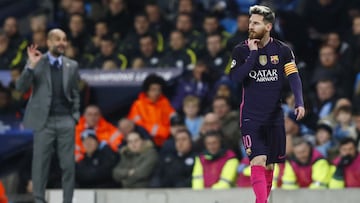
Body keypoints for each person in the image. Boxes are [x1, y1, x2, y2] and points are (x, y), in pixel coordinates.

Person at [229, 5, 305, 203]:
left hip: (274, 116)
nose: (250, 26)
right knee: (258, 160)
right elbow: (236, 77)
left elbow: (294, 76)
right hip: (251, 117)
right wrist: (253, 54)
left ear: (268, 26)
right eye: (250, 22)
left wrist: (300, 102)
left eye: (256, 23)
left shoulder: (282, 50)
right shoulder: (241, 50)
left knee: (270, 166)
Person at [16, 29, 80, 203]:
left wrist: (74, 116)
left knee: (68, 166)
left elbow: (75, 93)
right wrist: (30, 66)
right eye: (58, 39)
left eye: (64, 40)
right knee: (40, 164)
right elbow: (20, 87)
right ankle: (39, 200)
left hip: (66, 120)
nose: (62, 43)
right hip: (44, 121)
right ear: (49, 42)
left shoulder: (72, 65)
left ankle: (68, 200)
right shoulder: (37, 61)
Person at [128, 74, 176, 147]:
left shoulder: (165, 102)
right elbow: (139, 126)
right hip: (145, 142)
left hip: (166, 141)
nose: (156, 93)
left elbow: (174, 120)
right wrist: (162, 131)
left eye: (159, 90)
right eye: (153, 90)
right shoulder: (138, 105)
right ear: (147, 91)